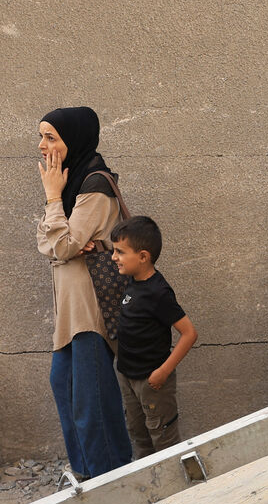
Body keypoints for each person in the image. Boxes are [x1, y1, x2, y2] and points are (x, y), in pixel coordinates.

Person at [36, 106, 135, 481]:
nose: (43, 147)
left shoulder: (93, 185)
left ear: (73, 141)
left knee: (91, 400)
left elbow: (59, 246)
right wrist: (61, 227)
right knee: (65, 388)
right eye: (41, 137)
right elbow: (48, 243)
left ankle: (108, 479)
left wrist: (52, 201)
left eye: (51, 138)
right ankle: (85, 474)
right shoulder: (69, 185)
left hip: (91, 308)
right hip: (69, 310)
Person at [109, 216, 197, 458]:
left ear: (143, 256)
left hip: (153, 382)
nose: (114, 257)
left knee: (164, 439)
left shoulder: (159, 293)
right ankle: (153, 484)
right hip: (128, 377)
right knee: (139, 434)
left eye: (120, 252)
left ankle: (178, 491)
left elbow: (189, 334)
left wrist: (163, 372)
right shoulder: (132, 282)